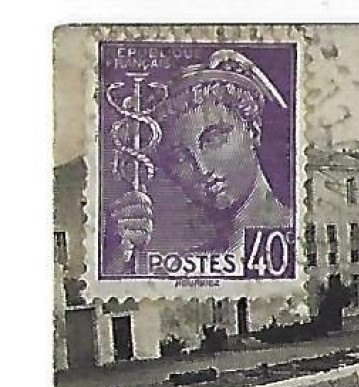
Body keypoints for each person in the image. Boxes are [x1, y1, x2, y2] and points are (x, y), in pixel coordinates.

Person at [105, 48, 296, 273]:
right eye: (180, 158)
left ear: (252, 130)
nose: (203, 168)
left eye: (214, 139)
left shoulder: (298, 235)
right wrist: (121, 258)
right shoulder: (192, 263)